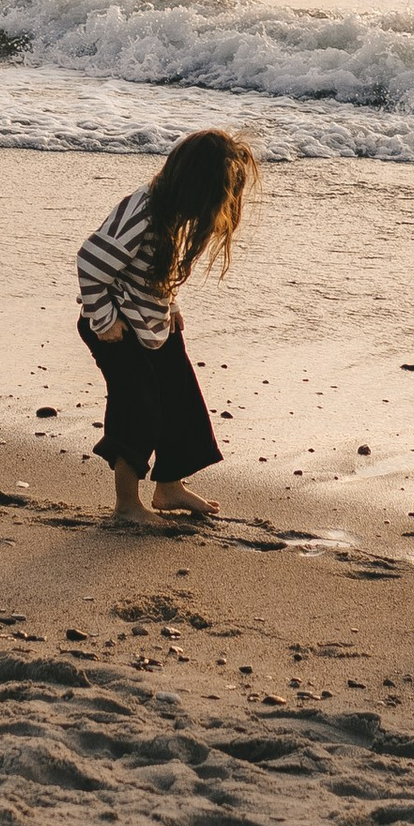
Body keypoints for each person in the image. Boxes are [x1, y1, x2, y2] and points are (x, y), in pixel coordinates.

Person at [76, 130, 259, 532]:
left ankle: (169, 487)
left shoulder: (173, 213)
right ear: (192, 184)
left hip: (151, 321)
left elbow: (154, 269)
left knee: (182, 402)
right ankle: (127, 503)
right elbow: (90, 262)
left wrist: (170, 305)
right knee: (137, 406)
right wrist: (105, 320)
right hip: (117, 325)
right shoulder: (142, 210)